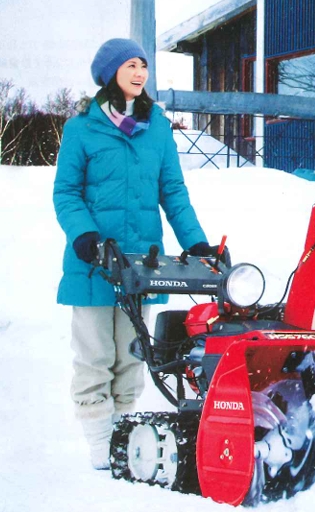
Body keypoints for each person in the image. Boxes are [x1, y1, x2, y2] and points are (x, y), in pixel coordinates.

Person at [53, 38, 218, 470]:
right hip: (93, 261)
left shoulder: (157, 127)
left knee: (131, 353)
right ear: (110, 73)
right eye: (130, 64)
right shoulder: (81, 129)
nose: (141, 72)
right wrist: (84, 235)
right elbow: (66, 193)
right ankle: (99, 443)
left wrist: (196, 242)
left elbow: (173, 192)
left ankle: (123, 438)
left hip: (140, 265)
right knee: (94, 355)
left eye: (144, 64)